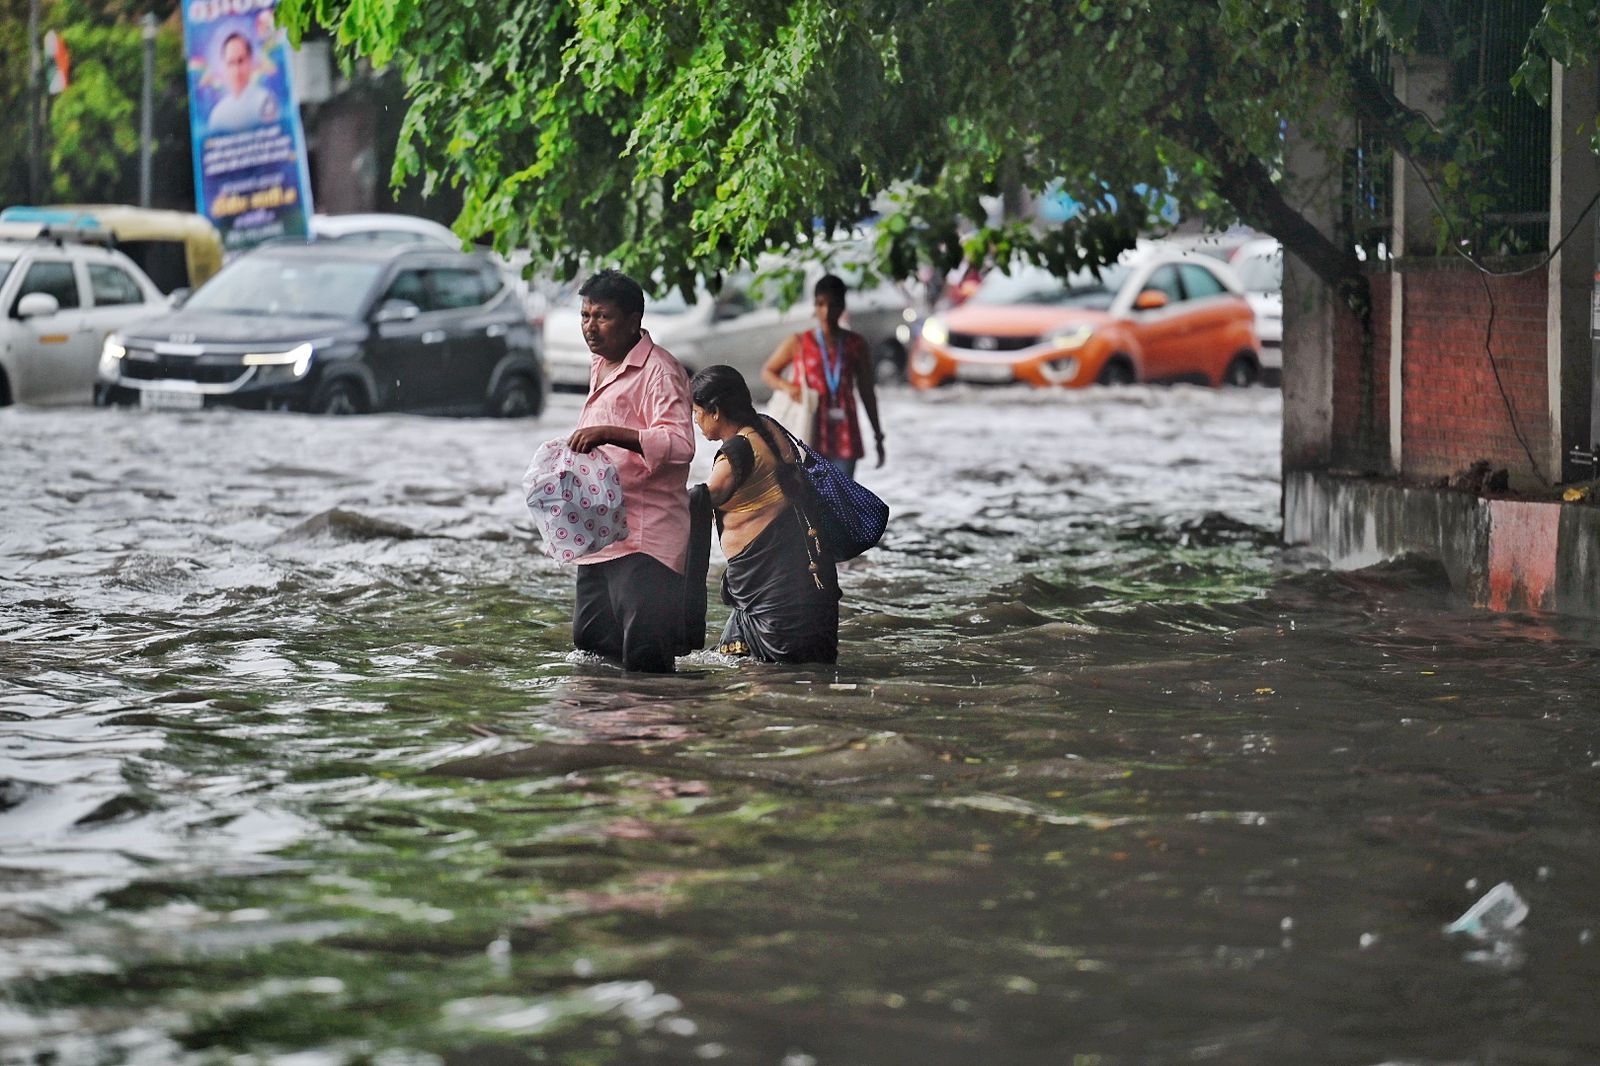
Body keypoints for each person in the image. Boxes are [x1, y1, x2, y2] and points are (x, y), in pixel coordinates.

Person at [566, 269, 696, 673]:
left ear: (634, 318)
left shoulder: (661, 371)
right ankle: (608, 727)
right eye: (585, 316)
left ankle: (653, 731)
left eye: (602, 317)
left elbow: (681, 445)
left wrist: (612, 433)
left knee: (646, 658)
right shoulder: (600, 363)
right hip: (601, 534)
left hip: (645, 538)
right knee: (590, 641)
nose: (591, 327)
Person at [691, 365, 840, 664]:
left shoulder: (738, 451)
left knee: (767, 684)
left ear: (715, 411)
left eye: (696, 411)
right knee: (798, 680)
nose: (695, 419)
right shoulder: (767, 428)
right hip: (801, 581)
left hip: (773, 599)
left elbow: (706, 497)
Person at [760, 274, 886, 478]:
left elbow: (866, 390)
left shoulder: (856, 344)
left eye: (833, 304)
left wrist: (878, 435)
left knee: (842, 498)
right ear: (814, 305)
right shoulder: (799, 342)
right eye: (820, 304)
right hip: (809, 428)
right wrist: (789, 388)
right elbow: (768, 372)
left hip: (845, 433)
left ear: (842, 306)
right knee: (810, 501)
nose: (826, 311)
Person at [208, 33, 279, 134]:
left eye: (241, 61)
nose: (236, 70)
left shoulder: (266, 101)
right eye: (231, 63)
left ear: (250, 61)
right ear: (224, 66)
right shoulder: (218, 114)